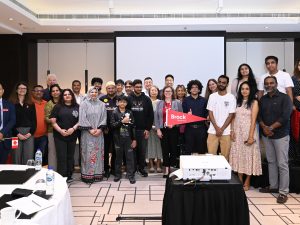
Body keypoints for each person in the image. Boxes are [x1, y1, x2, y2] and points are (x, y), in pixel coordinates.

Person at [258, 76, 292, 204]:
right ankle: (273, 186)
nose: (269, 85)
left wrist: (270, 127)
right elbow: (259, 116)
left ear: (276, 84)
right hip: (267, 135)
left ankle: (283, 192)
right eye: (266, 83)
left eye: (271, 83)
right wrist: (264, 127)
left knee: (282, 163)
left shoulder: (285, 98)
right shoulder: (263, 99)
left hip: (281, 135)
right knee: (271, 161)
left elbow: (285, 116)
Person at [229, 81, 262, 191]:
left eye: (247, 89)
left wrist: (251, 136)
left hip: (249, 132)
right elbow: (233, 117)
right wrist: (232, 130)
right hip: (237, 133)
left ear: (250, 90)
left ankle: (247, 181)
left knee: (248, 156)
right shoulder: (237, 102)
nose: (244, 91)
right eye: (242, 89)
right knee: (238, 156)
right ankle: (239, 180)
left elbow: (253, 121)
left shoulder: (254, 102)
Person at [79, 87, 107, 183]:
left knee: (98, 153)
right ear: (88, 93)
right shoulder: (83, 104)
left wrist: (99, 129)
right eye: (92, 92)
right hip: (87, 133)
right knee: (87, 153)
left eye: (96, 92)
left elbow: (104, 117)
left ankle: (98, 174)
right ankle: (87, 175)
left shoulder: (102, 104)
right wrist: (90, 129)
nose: (94, 93)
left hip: (99, 133)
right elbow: (82, 118)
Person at [50, 89, 79, 182]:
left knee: (70, 156)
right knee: (61, 156)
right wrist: (60, 131)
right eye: (65, 94)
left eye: (69, 94)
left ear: (72, 96)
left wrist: (73, 129)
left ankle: (69, 175)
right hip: (60, 136)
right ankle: (62, 176)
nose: (67, 96)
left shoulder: (77, 106)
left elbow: (81, 120)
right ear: (62, 96)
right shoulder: (57, 107)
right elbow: (53, 122)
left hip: (72, 134)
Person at [127, 79, 154, 177]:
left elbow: (150, 115)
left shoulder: (146, 99)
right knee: (132, 151)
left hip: (143, 130)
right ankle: (133, 170)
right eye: (137, 87)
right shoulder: (129, 98)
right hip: (131, 130)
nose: (138, 88)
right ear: (133, 87)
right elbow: (126, 114)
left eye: (140, 87)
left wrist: (148, 129)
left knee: (142, 151)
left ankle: (142, 168)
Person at [206, 75, 236, 160]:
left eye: (224, 83)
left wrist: (221, 129)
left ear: (227, 84)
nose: (221, 84)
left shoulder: (231, 97)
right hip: (212, 131)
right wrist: (216, 128)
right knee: (211, 157)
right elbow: (210, 113)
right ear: (217, 82)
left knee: (225, 157)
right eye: (219, 82)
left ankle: (224, 174)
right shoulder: (212, 96)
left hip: (226, 132)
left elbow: (231, 115)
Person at [155, 86, 182, 177]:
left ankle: (172, 167)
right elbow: (156, 117)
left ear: (172, 92)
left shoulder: (177, 103)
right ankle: (166, 168)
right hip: (163, 130)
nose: (167, 92)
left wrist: (174, 124)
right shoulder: (159, 103)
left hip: (174, 129)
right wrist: (158, 129)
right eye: (166, 91)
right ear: (163, 93)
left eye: (169, 91)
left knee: (173, 149)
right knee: (165, 150)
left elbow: (180, 116)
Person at [111, 95, 137, 184]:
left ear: (126, 103)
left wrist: (134, 139)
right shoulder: (114, 112)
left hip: (128, 139)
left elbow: (133, 126)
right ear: (117, 103)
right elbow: (112, 126)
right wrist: (122, 121)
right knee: (118, 158)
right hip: (118, 139)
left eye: (124, 102)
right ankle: (117, 175)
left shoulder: (129, 112)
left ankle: (130, 175)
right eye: (120, 101)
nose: (122, 103)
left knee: (130, 158)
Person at [9, 82, 35, 164]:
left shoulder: (31, 104)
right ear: (16, 90)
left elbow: (34, 120)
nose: (22, 90)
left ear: (27, 90)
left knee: (28, 156)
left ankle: (27, 176)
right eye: (20, 88)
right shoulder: (11, 103)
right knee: (15, 155)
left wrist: (30, 133)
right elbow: (9, 120)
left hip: (29, 133)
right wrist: (17, 134)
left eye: (24, 88)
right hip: (15, 134)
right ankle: (16, 176)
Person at [182, 80, 208, 154]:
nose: (194, 89)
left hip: (201, 129)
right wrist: (187, 115)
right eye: (192, 87)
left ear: (199, 89)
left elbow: (206, 114)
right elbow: (183, 115)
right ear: (189, 89)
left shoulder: (204, 100)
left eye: (196, 87)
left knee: (201, 150)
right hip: (189, 129)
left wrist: (208, 116)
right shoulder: (186, 100)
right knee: (188, 150)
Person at [100, 81, 118, 177]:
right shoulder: (102, 99)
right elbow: (100, 114)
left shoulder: (119, 99)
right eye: (109, 88)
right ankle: (106, 169)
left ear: (115, 89)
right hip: (105, 129)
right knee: (106, 149)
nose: (111, 90)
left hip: (117, 128)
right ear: (106, 89)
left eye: (112, 88)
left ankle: (114, 169)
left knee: (115, 149)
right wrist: (104, 127)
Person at [45, 84, 61, 171]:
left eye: (57, 90)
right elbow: (46, 118)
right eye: (53, 91)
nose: (55, 92)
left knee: (62, 152)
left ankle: (62, 171)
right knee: (52, 152)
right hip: (52, 131)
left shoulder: (64, 102)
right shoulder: (49, 104)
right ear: (51, 93)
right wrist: (54, 121)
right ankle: (52, 171)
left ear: (60, 91)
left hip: (64, 131)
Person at [147, 85, 162, 173]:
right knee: (150, 146)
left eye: (155, 90)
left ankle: (159, 165)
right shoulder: (147, 101)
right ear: (149, 92)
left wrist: (158, 126)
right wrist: (149, 125)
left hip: (159, 128)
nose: (153, 92)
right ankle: (151, 165)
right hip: (149, 128)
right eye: (152, 90)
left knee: (159, 146)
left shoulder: (161, 102)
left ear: (158, 92)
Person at [0, 82, 16, 164]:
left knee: (3, 164)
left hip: (5, 140)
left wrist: (2, 132)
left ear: (2, 91)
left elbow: (12, 120)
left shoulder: (9, 104)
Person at [32, 85, 48, 159]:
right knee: (30, 157)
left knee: (40, 157)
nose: (39, 92)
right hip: (30, 136)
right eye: (36, 90)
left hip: (43, 136)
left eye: (41, 91)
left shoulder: (46, 103)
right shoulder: (29, 103)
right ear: (33, 92)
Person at [291, 59, 300, 155]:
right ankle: (295, 156)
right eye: (299, 65)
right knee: (296, 134)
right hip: (297, 110)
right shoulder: (293, 78)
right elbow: (292, 94)